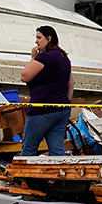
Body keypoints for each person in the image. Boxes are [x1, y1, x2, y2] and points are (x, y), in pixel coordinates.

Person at [20, 25, 73, 156]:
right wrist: (66, 102)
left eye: (39, 37)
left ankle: (22, 176)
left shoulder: (45, 57)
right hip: (61, 108)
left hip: (42, 109)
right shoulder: (64, 57)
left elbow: (24, 76)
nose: (36, 41)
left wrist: (33, 58)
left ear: (49, 39)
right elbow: (71, 83)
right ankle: (61, 175)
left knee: (28, 149)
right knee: (57, 150)